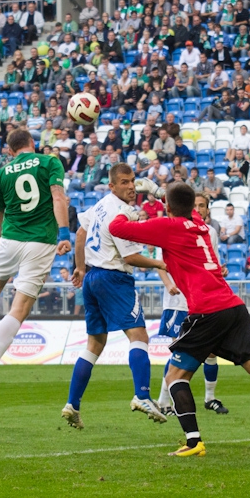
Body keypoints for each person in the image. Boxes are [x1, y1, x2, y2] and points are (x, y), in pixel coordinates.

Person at [109, 180, 250, 458]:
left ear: (167, 206)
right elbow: (183, 206)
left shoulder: (169, 227)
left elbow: (116, 228)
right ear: (192, 206)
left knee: (176, 376)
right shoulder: (200, 224)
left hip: (207, 310)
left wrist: (125, 210)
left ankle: (193, 442)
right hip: (232, 307)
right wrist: (160, 195)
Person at [0, 129, 72, 395]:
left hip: (10, 239)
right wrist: (63, 233)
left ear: (9, 151)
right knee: (20, 306)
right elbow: (58, 197)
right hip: (41, 241)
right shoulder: (49, 162)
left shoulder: (0, 174)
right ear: (33, 144)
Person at [61, 164, 169, 429]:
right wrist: (161, 265)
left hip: (92, 279)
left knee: (95, 344)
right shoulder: (122, 213)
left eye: (132, 181)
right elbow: (130, 257)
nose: (131, 186)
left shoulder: (99, 206)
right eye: (124, 182)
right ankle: (142, 395)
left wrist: (80, 266)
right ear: (112, 185)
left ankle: (72, 404)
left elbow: (81, 233)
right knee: (139, 336)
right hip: (114, 278)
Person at [155, 193, 230, 416]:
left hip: (202, 301)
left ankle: (210, 398)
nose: (198, 208)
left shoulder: (211, 233)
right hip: (178, 301)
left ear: (207, 210)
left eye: (202, 205)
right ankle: (163, 400)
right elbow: (161, 263)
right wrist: (168, 283)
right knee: (178, 353)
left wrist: (220, 272)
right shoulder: (173, 228)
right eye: (194, 205)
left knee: (212, 352)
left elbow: (212, 263)